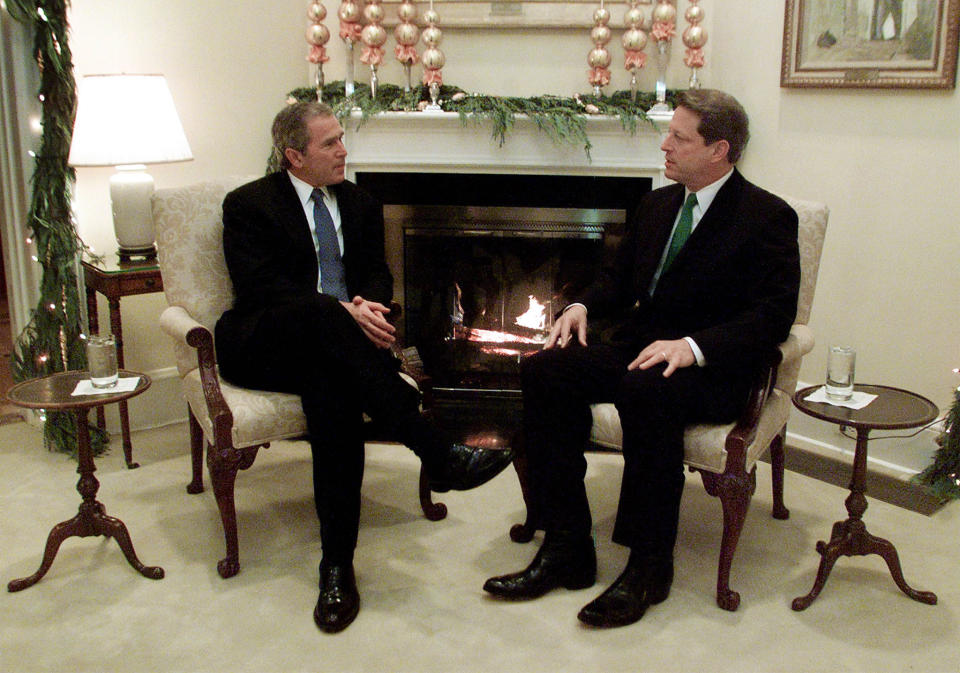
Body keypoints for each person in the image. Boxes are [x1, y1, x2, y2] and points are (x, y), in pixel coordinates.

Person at [483, 89, 801, 628]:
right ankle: (567, 546)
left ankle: (649, 564)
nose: (664, 144)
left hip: (711, 367)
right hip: (640, 349)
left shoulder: (767, 216)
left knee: (645, 390)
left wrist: (694, 347)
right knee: (544, 370)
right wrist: (580, 305)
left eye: (679, 136)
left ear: (720, 149)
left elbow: (773, 316)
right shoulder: (657, 205)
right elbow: (616, 279)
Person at [214, 101, 513, 633]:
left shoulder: (359, 202)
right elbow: (262, 288)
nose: (343, 150)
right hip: (263, 342)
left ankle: (337, 566)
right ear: (293, 155)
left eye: (341, 138)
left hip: (332, 353)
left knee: (333, 389)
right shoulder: (249, 204)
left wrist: (369, 306)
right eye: (329, 143)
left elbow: (376, 273)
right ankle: (435, 449)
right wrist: (343, 312)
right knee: (319, 315)